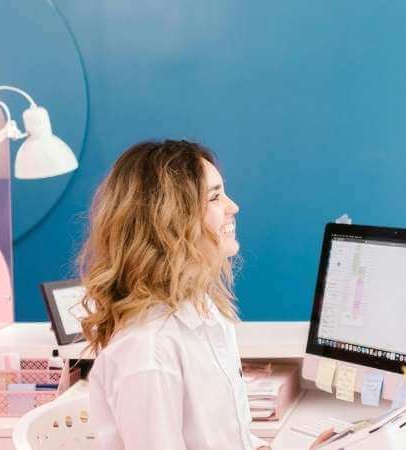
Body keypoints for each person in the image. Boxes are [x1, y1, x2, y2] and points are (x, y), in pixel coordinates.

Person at [77, 139, 269, 450]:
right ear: (170, 220)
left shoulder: (205, 311)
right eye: (215, 197)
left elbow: (232, 439)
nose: (233, 206)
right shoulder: (149, 352)